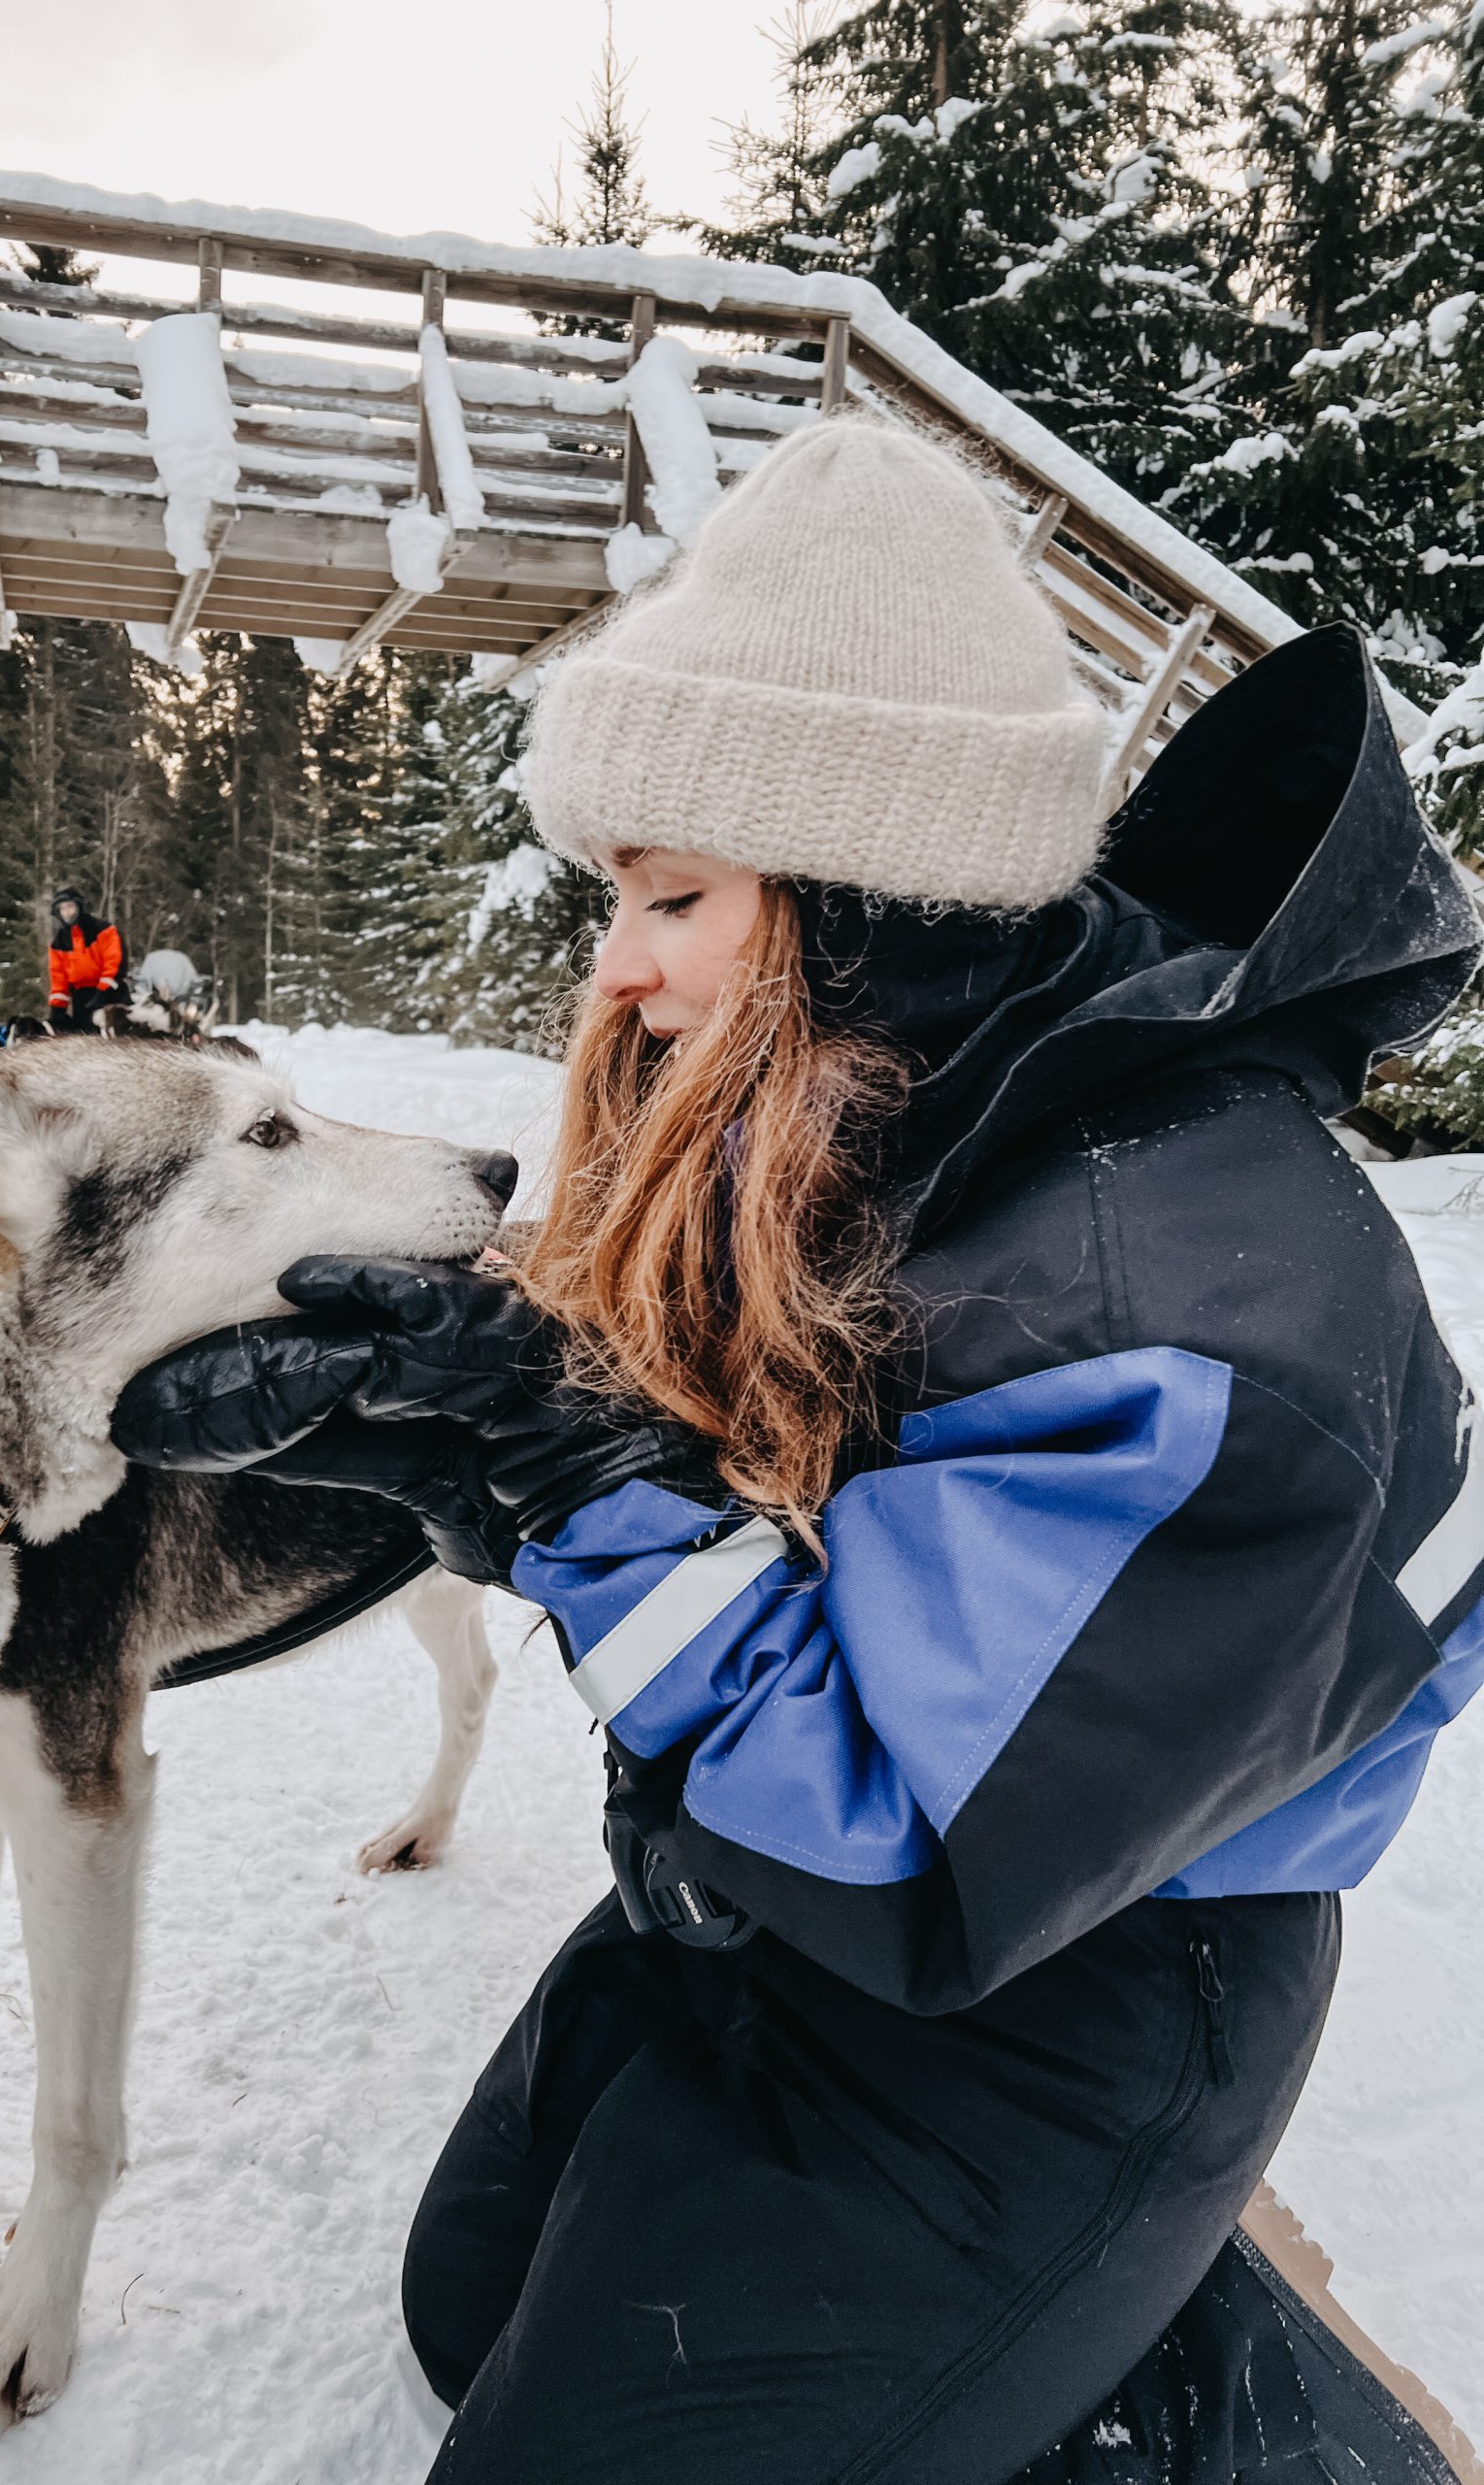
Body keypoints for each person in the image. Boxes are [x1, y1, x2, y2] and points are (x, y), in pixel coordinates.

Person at [112, 424, 1483, 2483]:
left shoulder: (1191, 1320)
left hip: (1057, 1976)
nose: (619, 965)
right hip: (769, 1892)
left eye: (673, 895)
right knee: (462, 2303)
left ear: (867, 896)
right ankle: (1014, 2341)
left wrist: (574, 1469)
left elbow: (914, 1834)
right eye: (614, 894)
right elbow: (776, 1522)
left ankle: (1156, 2386)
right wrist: (449, 1460)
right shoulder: (910, 1109)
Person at [48, 885, 125, 1031]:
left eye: (70, 906)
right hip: (81, 998)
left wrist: (103, 992)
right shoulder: (58, 943)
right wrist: (57, 1009)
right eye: (62, 909)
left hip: (111, 994)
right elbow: (58, 979)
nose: (66, 912)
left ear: (79, 906)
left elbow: (114, 963)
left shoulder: (104, 930)